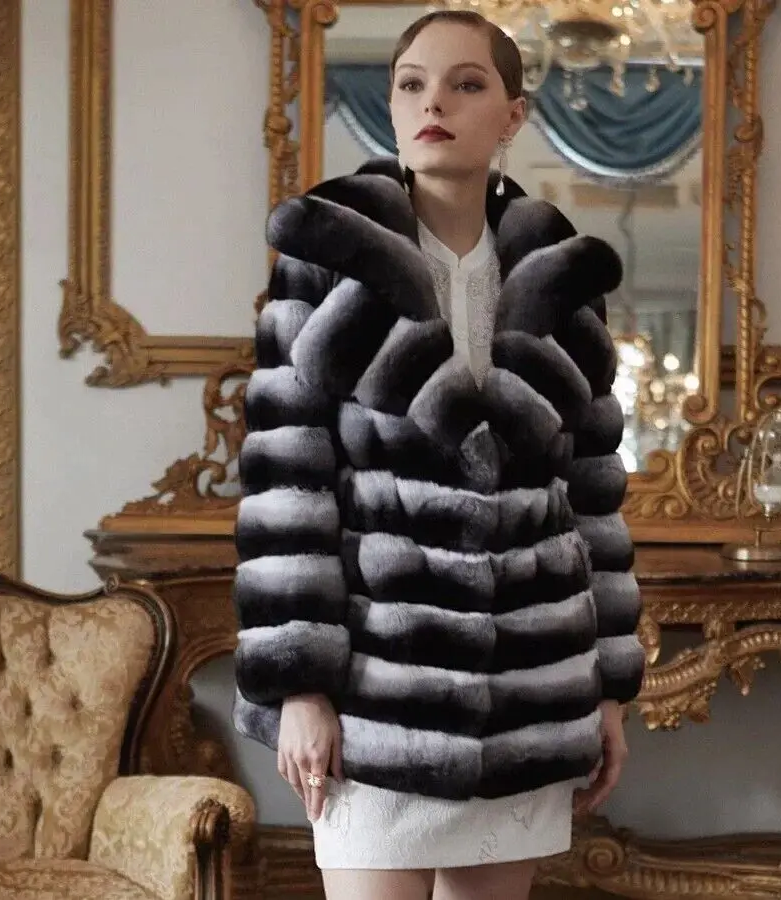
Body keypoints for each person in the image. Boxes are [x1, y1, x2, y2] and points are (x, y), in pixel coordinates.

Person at [232, 9, 645, 900]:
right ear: (389, 104)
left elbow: (594, 501)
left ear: (514, 114)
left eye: (467, 84)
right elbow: (287, 483)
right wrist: (300, 686)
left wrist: (607, 688)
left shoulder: (561, 275)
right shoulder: (326, 260)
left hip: (531, 692)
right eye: (412, 84)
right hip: (377, 698)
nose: (434, 104)